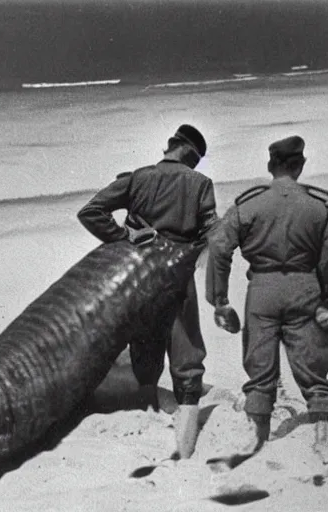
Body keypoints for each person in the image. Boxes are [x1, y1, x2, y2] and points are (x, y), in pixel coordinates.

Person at [77, 124, 218, 458]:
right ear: (190, 155)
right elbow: (215, 231)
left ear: (170, 146)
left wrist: (124, 238)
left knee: (144, 335)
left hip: (140, 269)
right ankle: (185, 434)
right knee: (184, 341)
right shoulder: (200, 184)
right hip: (178, 270)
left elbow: (90, 212)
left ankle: (147, 398)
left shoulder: (137, 178)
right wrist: (192, 252)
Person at [206, 135, 328, 453]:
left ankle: (256, 435)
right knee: (312, 364)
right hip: (304, 287)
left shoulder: (248, 204)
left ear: (270, 165)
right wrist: (327, 299)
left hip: (262, 291)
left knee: (259, 365)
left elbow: (218, 246)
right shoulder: (321, 205)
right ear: (301, 165)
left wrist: (220, 300)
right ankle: (323, 435)